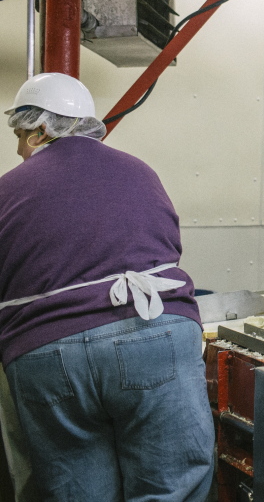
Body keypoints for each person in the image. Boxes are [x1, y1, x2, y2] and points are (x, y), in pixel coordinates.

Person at [0, 73, 213, 502]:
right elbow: (168, 244)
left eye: (21, 137)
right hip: (153, 331)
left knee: (77, 491)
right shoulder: (139, 170)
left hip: (47, 355)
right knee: (171, 485)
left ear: (41, 130)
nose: (20, 150)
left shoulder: (7, 189)